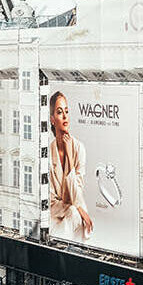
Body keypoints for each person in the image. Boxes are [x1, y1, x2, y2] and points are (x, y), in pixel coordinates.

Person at [47, 92, 94, 241]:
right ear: (52, 120)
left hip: (74, 219)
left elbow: (75, 194)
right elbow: (52, 202)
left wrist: (69, 156)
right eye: (60, 112)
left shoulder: (79, 148)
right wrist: (79, 209)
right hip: (55, 218)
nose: (65, 116)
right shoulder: (47, 154)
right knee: (73, 213)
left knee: (74, 215)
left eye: (67, 111)